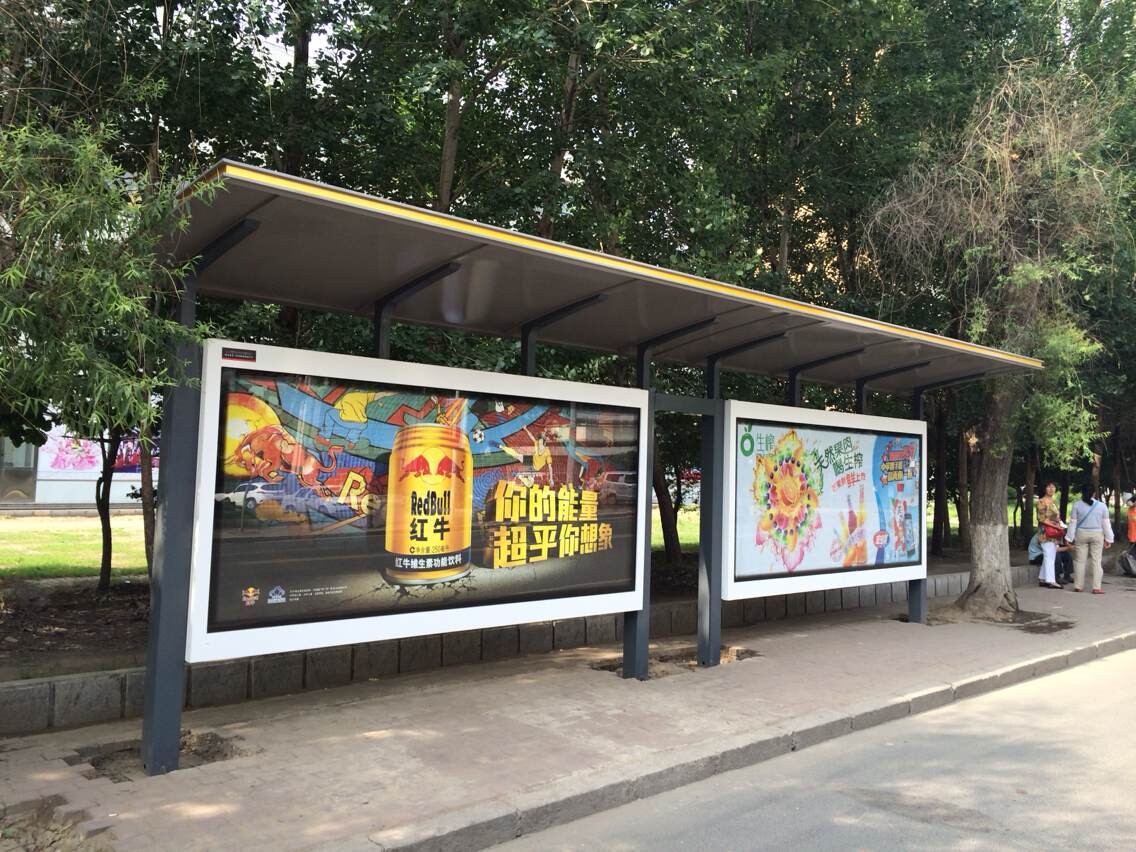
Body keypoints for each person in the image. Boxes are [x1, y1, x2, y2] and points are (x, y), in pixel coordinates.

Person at [1067, 483, 1114, 594]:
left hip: (1081, 534)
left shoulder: (1076, 505)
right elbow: (1106, 524)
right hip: (1097, 534)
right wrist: (1109, 538)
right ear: (1094, 493)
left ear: (1082, 493)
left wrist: (1069, 537)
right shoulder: (1102, 506)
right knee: (1096, 561)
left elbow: (1072, 523)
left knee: (1080, 561)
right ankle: (1096, 587)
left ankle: (1078, 586)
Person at [1034, 481, 1065, 589]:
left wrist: (1059, 523)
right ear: (1044, 489)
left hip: (1054, 531)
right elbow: (1041, 519)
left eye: (1053, 487)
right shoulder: (1041, 501)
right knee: (1049, 555)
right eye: (1049, 487)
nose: (1051, 489)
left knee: (1050, 554)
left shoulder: (1053, 501)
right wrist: (1056, 526)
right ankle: (1051, 581)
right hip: (1045, 532)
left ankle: (1042, 578)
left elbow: (1056, 516)